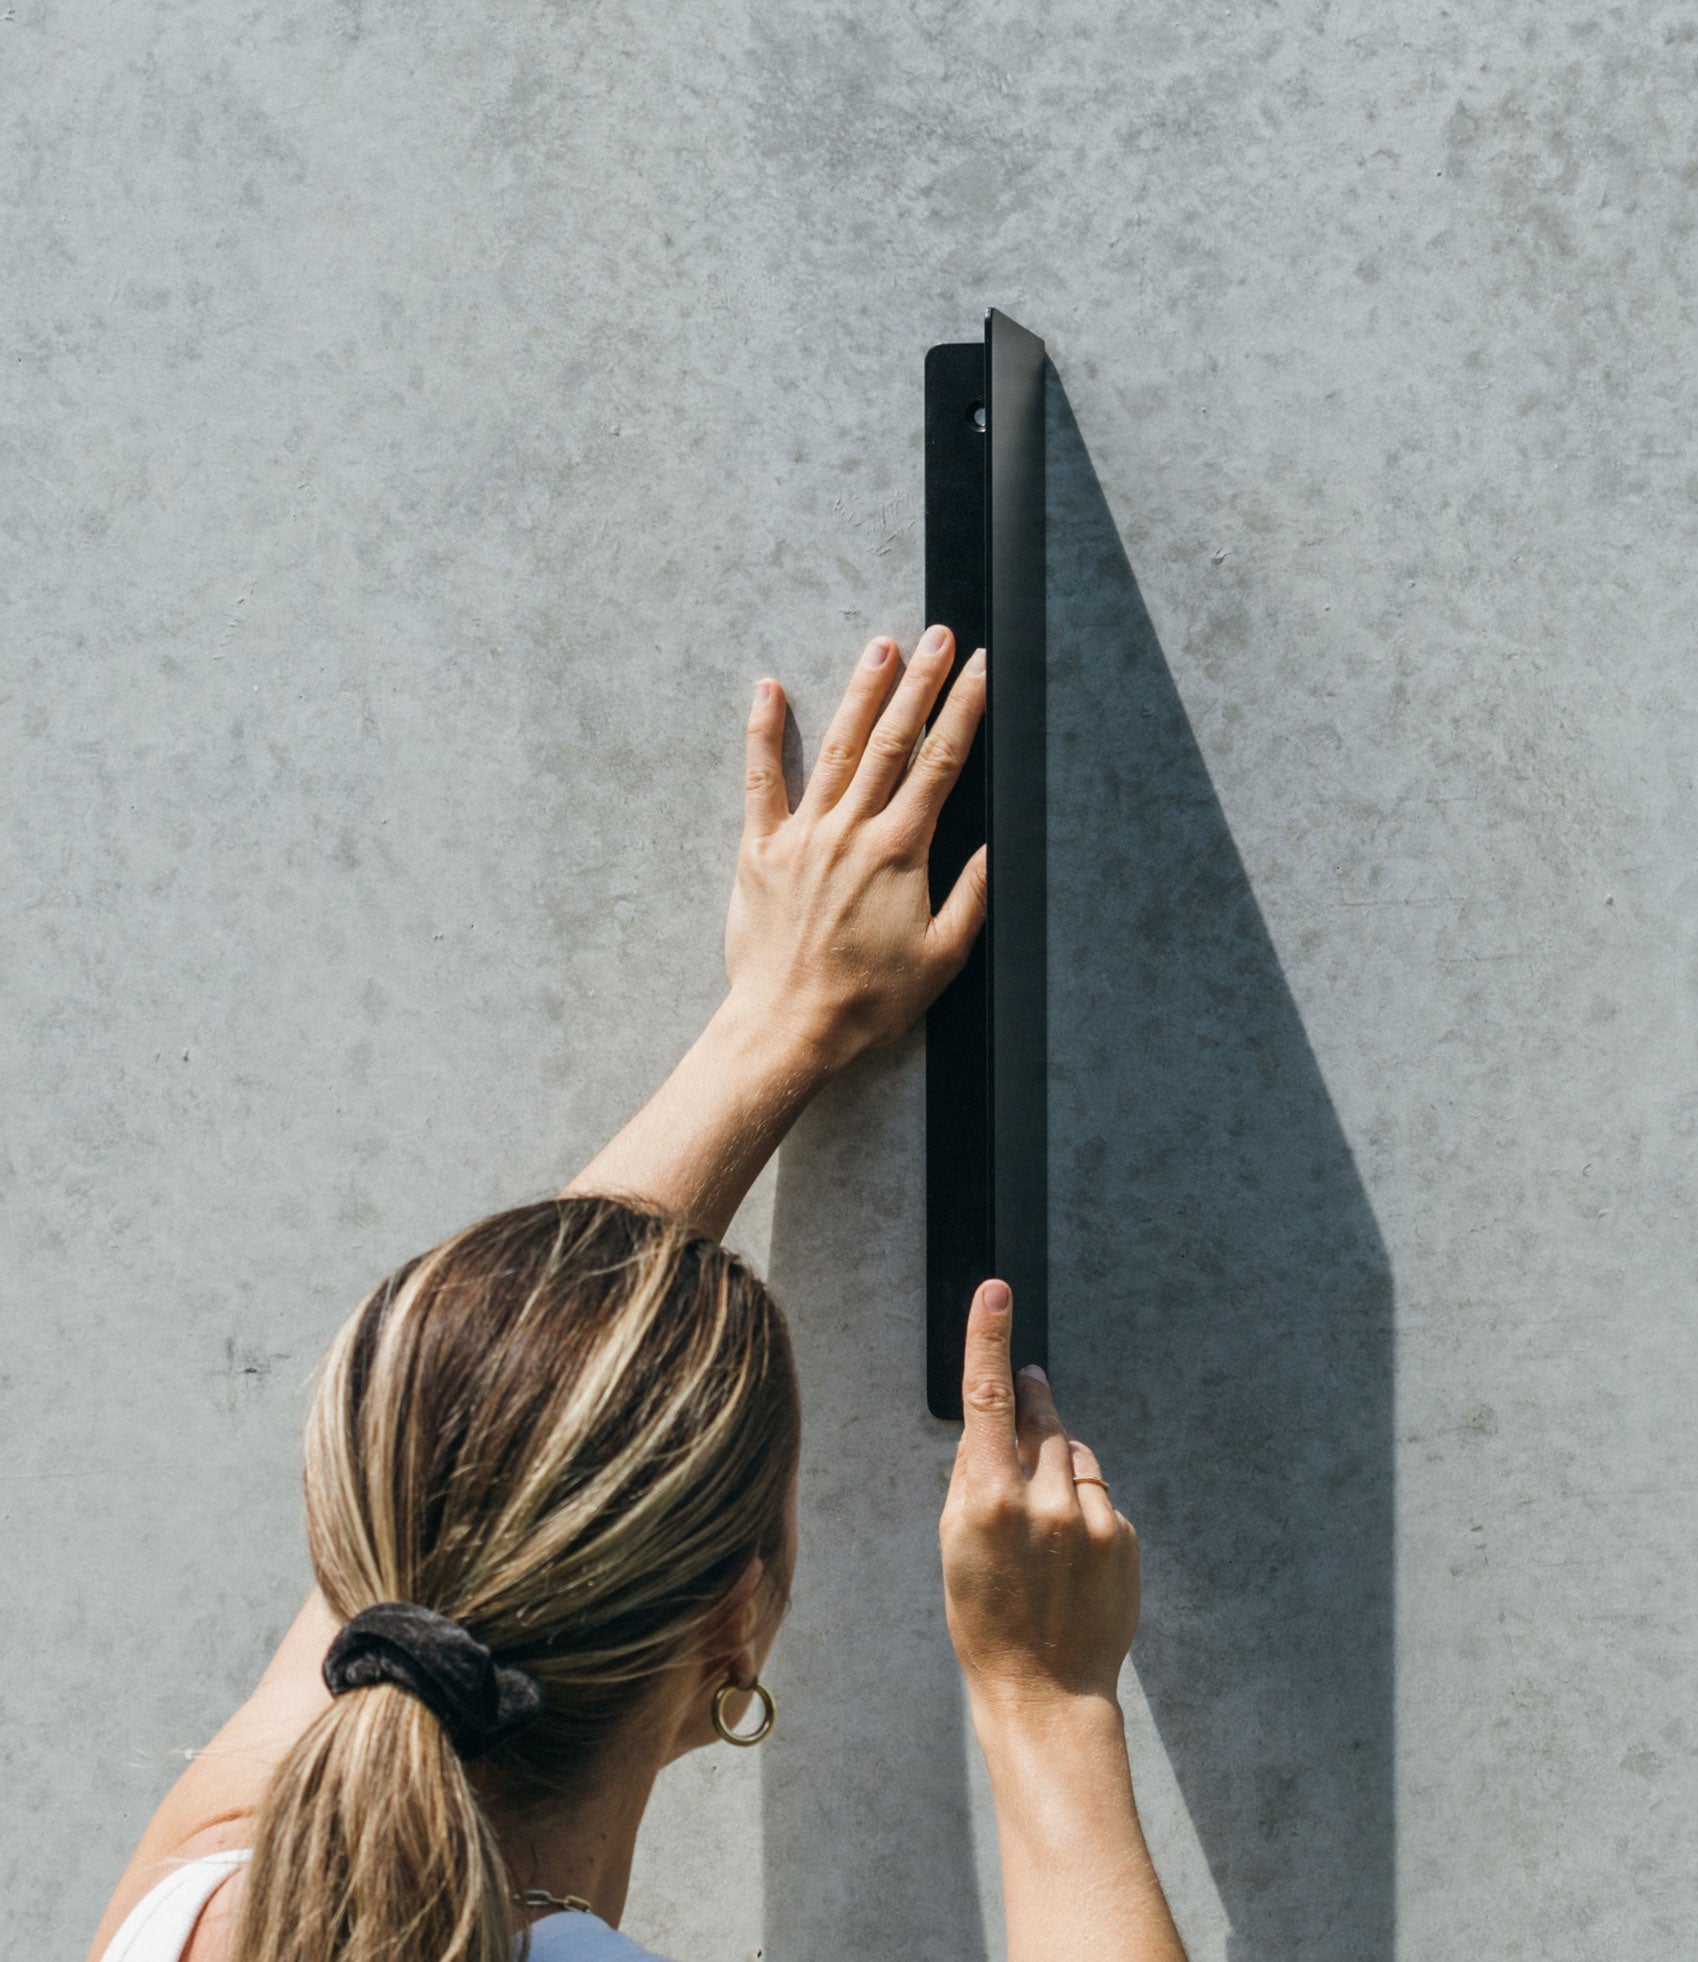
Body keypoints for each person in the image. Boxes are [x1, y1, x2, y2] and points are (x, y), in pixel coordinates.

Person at [85, 625, 1189, 1962]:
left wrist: (774, 1023)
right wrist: (1050, 1706)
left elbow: (482, 1439)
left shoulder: (194, 1914)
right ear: (738, 1618)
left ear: (358, 1542)